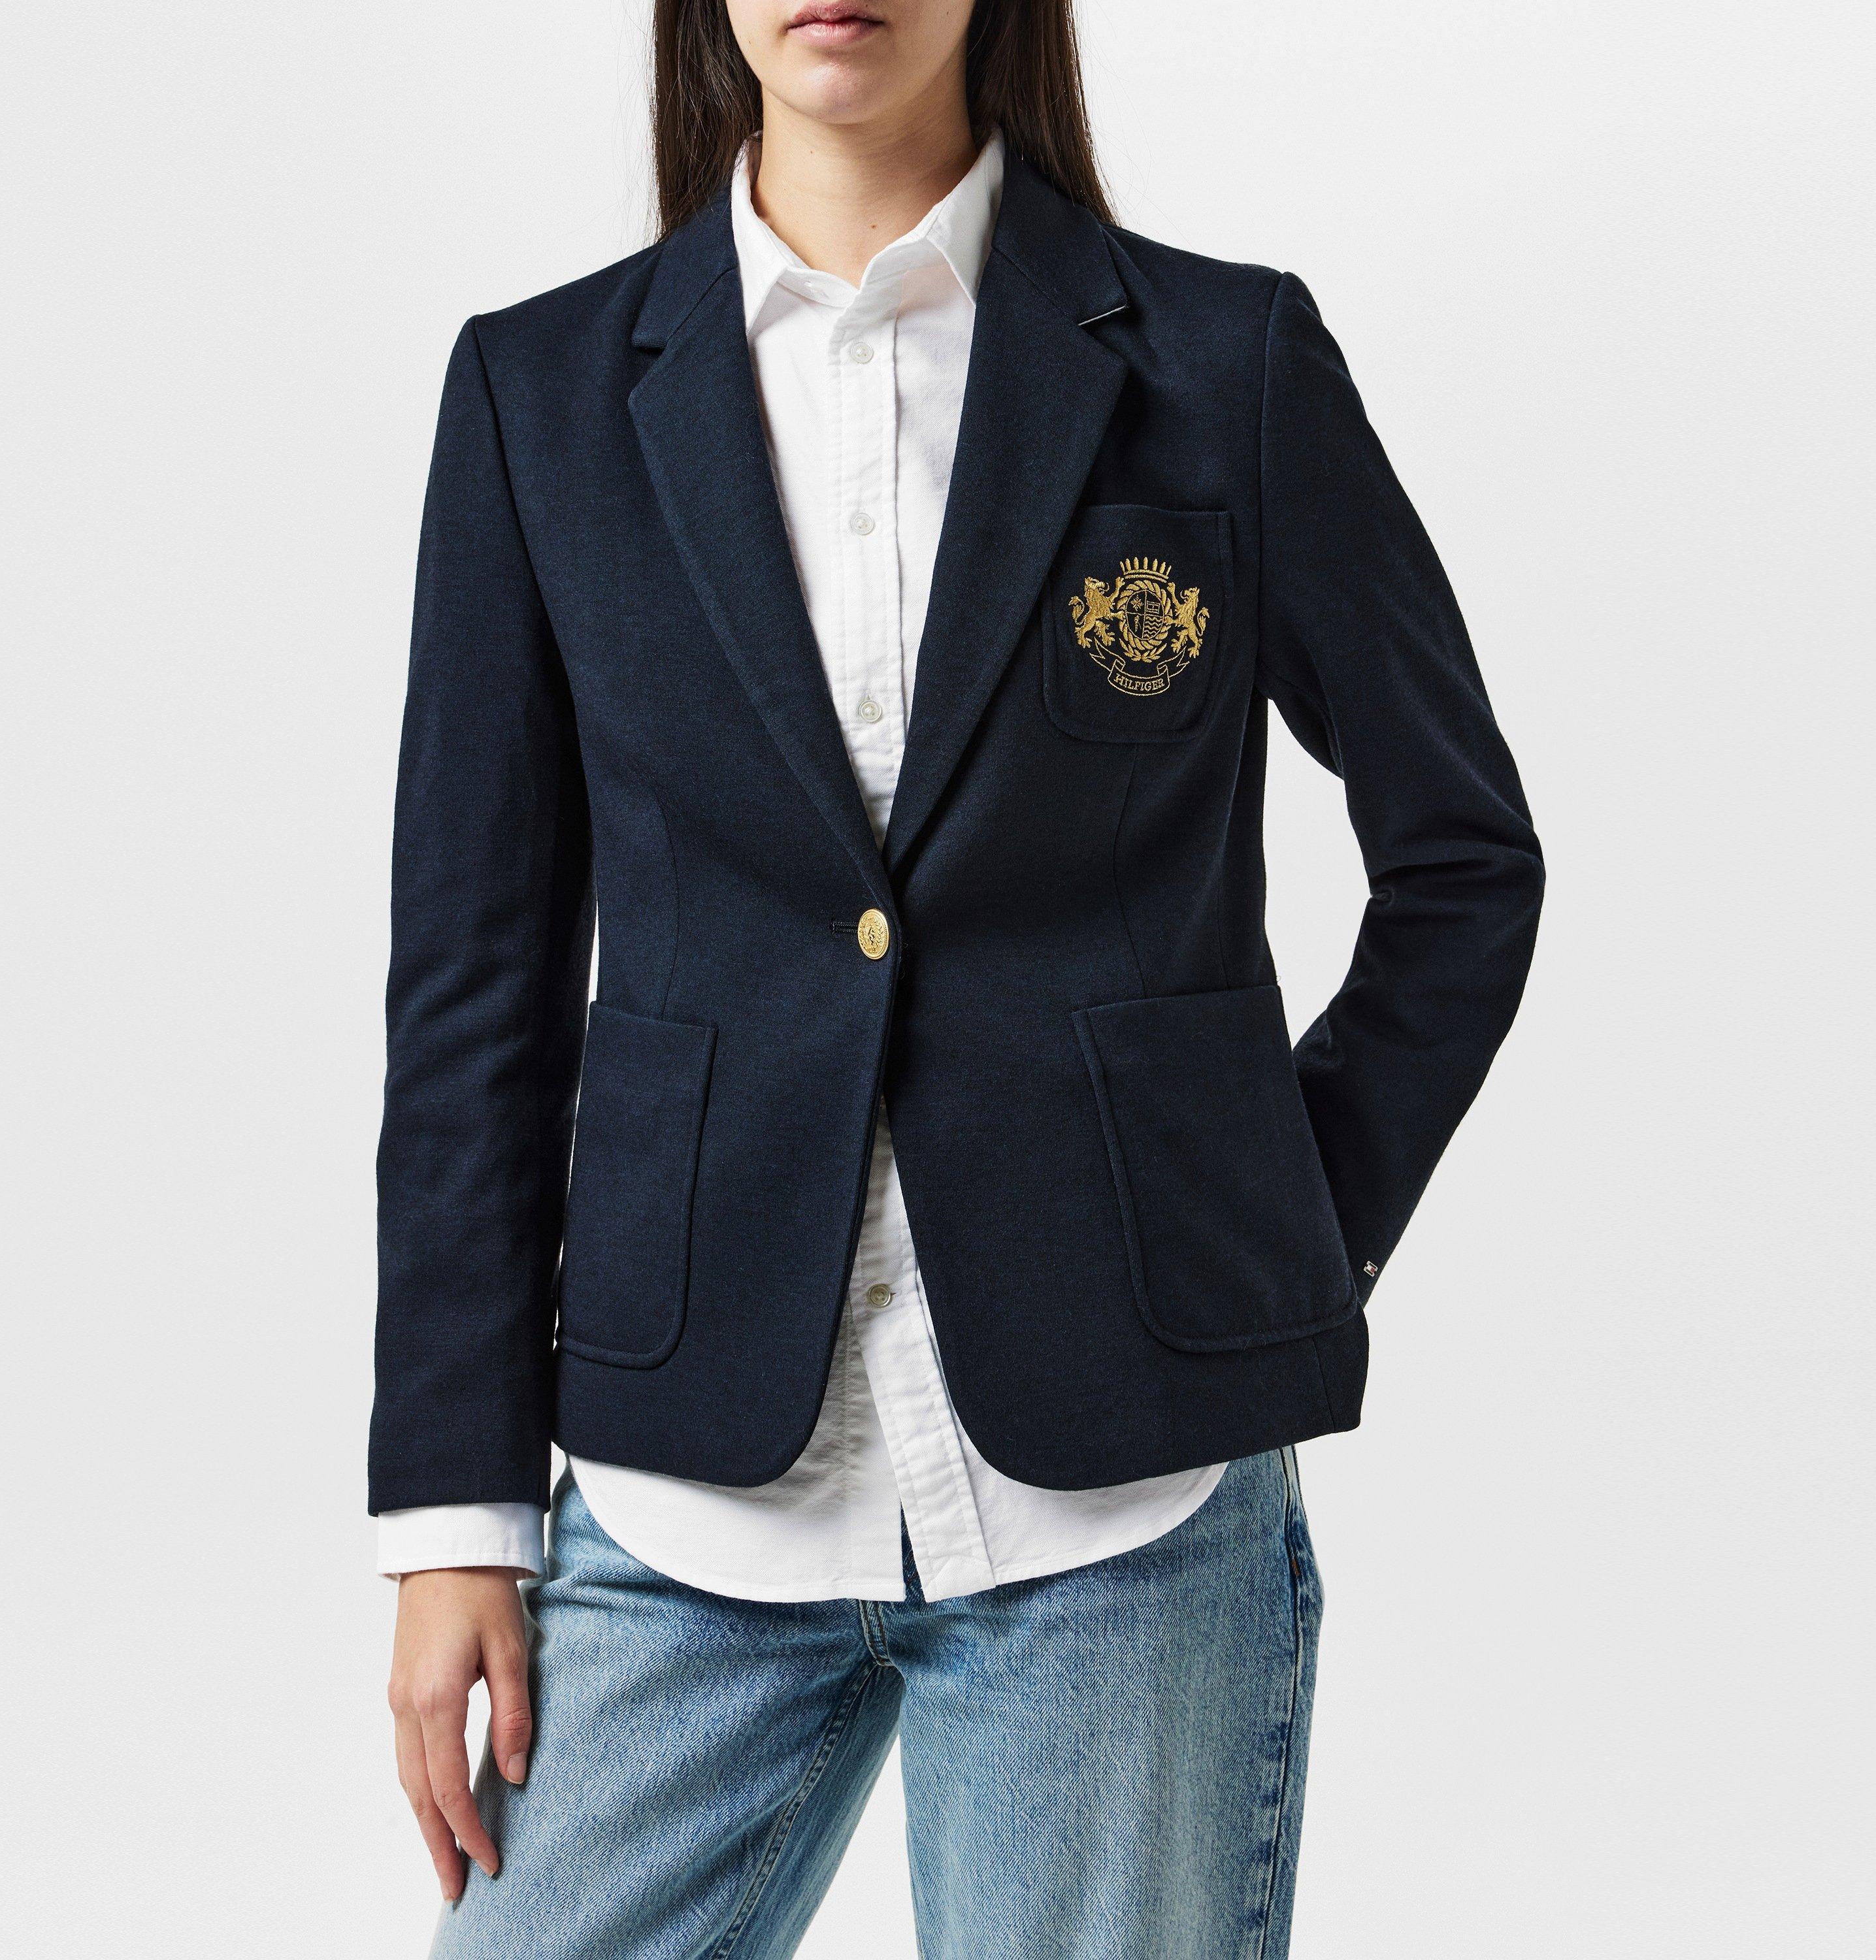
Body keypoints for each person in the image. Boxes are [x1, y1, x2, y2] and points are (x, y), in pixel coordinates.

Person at [370, 1, 1544, 1953]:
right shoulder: (541, 395)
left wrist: (1269, 1242)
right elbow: (473, 988)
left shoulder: (1221, 362)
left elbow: (1465, 863)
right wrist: (452, 1516)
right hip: (685, 1487)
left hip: (1127, 1509)